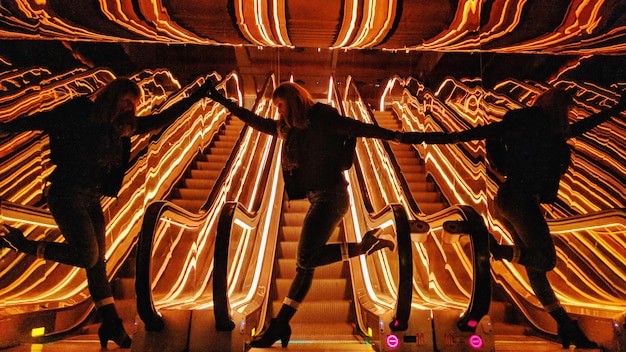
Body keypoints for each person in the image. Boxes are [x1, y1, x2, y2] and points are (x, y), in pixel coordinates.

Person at [402, 87, 625, 349]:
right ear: (558, 108)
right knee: (545, 259)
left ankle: (567, 328)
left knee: (537, 272)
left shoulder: (522, 122)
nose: (568, 116)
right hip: (520, 199)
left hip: (509, 197)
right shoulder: (547, 129)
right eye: (566, 110)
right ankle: (493, 249)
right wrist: (616, 108)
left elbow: (482, 135)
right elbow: (580, 128)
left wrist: (500, 163)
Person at [0, 77, 212, 349]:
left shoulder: (121, 127)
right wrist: (6, 126)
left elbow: (159, 120)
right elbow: (42, 120)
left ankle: (111, 325)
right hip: (66, 193)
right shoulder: (80, 112)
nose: (129, 108)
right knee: (88, 256)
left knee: (98, 263)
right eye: (126, 101)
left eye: (134, 105)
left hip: (91, 199)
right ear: (113, 96)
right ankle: (21, 244)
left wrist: (196, 97)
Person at [208, 81, 401, 348]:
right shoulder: (288, 129)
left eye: (280, 104)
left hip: (332, 196)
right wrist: (225, 102)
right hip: (318, 198)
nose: (278, 111)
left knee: (305, 259)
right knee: (305, 264)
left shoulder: (322, 118)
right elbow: (255, 121)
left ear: (293, 101)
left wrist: (395, 136)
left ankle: (363, 247)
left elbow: (357, 127)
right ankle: (280, 325)